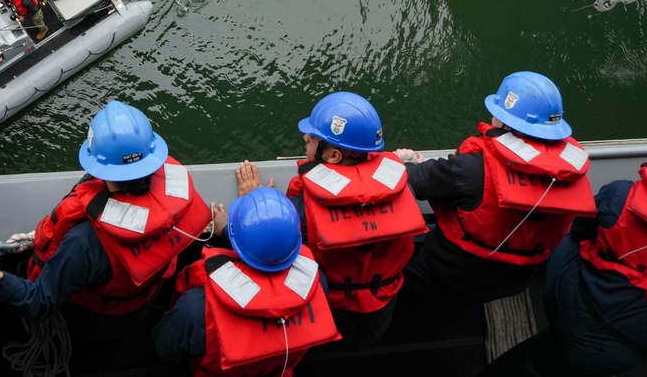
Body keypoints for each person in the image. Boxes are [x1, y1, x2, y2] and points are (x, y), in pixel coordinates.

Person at [478, 114, 647, 376]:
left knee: (568, 226)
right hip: (631, 347)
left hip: (572, 312)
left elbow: (579, 230)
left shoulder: (622, 196)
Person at [0, 100, 212, 325]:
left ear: (100, 166)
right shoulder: (177, 198)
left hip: (99, 318)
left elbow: (39, 302)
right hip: (143, 297)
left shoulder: (82, 243)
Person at [403, 71, 597, 304]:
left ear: (505, 122)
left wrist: (406, 162)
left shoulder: (471, 169)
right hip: (516, 280)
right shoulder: (570, 174)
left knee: (403, 264)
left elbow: (407, 180)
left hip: (451, 273)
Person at [288, 92, 428, 349]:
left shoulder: (300, 212)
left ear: (332, 156)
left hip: (330, 305)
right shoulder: (404, 189)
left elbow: (270, 242)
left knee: (327, 342)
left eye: (311, 139)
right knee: (366, 340)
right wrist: (403, 163)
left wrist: (253, 197)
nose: (305, 140)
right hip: (381, 307)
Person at [152, 186, 340, 376]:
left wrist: (228, 231)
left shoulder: (195, 308)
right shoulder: (317, 285)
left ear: (234, 239)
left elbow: (166, 351)